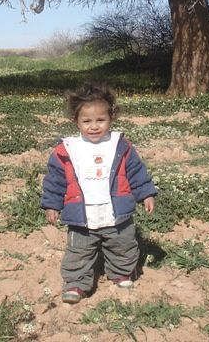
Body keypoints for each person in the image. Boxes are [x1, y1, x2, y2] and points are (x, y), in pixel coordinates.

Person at [41, 82, 157, 304]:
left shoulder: (120, 145)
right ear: (76, 121)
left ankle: (122, 272)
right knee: (79, 252)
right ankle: (76, 283)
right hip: (81, 215)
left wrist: (146, 194)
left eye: (100, 120)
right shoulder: (67, 149)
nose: (94, 126)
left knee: (123, 244)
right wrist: (52, 204)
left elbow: (136, 172)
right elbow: (55, 181)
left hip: (116, 212)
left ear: (111, 118)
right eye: (87, 121)